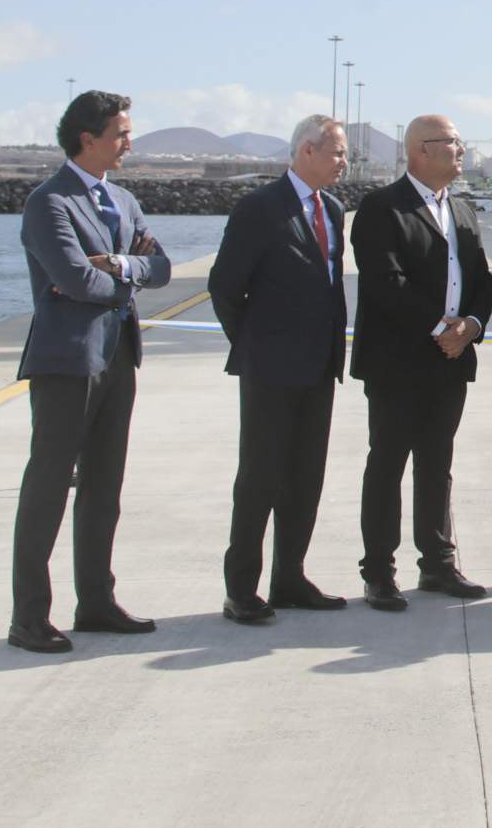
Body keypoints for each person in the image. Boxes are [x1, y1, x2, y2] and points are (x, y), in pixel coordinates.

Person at [6, 91, 173, 654]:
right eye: (122, 133)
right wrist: (127, 279)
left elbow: (163, 268)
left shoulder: (123, 201)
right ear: (88, 138)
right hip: (66, 361)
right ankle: (29, 617)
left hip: (118, 357)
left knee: (105, 487)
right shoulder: (48, 203)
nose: (130, 142)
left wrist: (122, 266)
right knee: (49, 487)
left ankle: (96, 602)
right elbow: (74, 280)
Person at [209, 114, 353, 624]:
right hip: (270, 369)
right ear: (306, 152)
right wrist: (254, 346)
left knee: (305, 477)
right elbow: (225, 286)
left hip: (319, 368)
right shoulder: (259, 208)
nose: (344, 161)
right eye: (337, 152)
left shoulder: (332, 209)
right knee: (260, 478)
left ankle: (290, 577)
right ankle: (241, 589)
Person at [350, 113, 492, 609]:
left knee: (437, 466)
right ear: (420, 151)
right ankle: (379, 573)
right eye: (453, 143)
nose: (461, 150)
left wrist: (471, 327)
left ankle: (437, 564)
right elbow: (385, 283)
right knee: (387, 464)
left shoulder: (462, 209)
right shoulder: (381, 208)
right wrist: (441, 329)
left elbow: (482, 282)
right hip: (397, 363)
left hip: (450, 362)